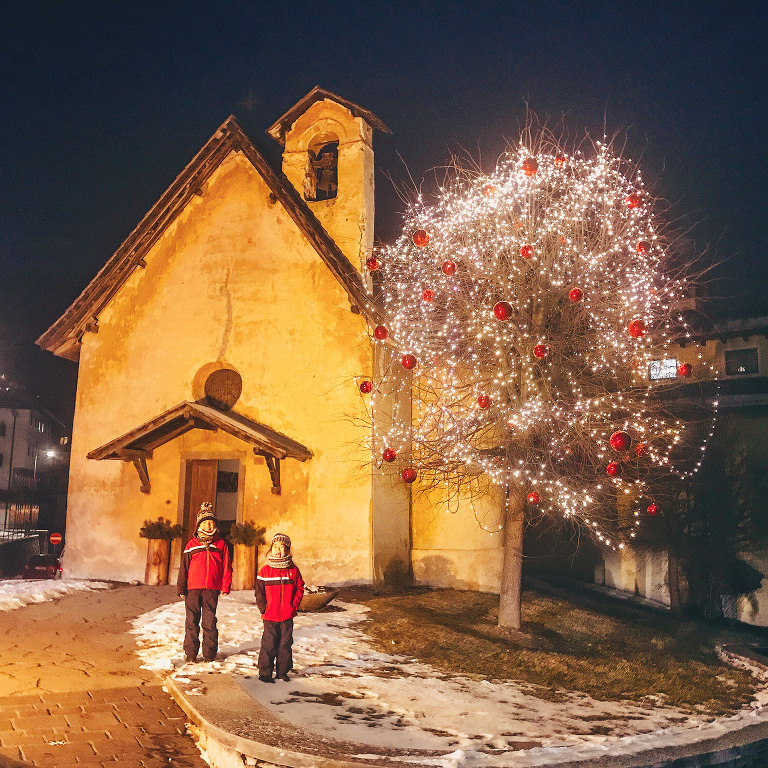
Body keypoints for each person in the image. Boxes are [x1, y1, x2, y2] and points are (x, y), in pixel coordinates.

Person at [177, 502, 232, 663]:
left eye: (211, 522)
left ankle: (209, 653)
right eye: (205, 522)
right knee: (191, 622)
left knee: (209, 622)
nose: (209, 525)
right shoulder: (191, 545)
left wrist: (225, 585)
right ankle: (191, 653)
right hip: (192, 589)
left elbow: (227, 566)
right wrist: (181, 588)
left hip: (211, 589)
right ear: (199, 525)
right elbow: (184, 567)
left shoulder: (221, 544)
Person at [255, 533, 304, 682]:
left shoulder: (293, 570)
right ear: (271, 549)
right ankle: (265, 673)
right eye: (275, 547)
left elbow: (300, 588)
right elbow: (259, 592)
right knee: (269, 644)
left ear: (287, 550)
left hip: (287, 615)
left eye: (282, 547)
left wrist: (293, 606)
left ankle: (282, 672)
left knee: (285, 644)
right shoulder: (265, 571)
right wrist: (263, 608)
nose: (278, 550)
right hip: (270, 615)